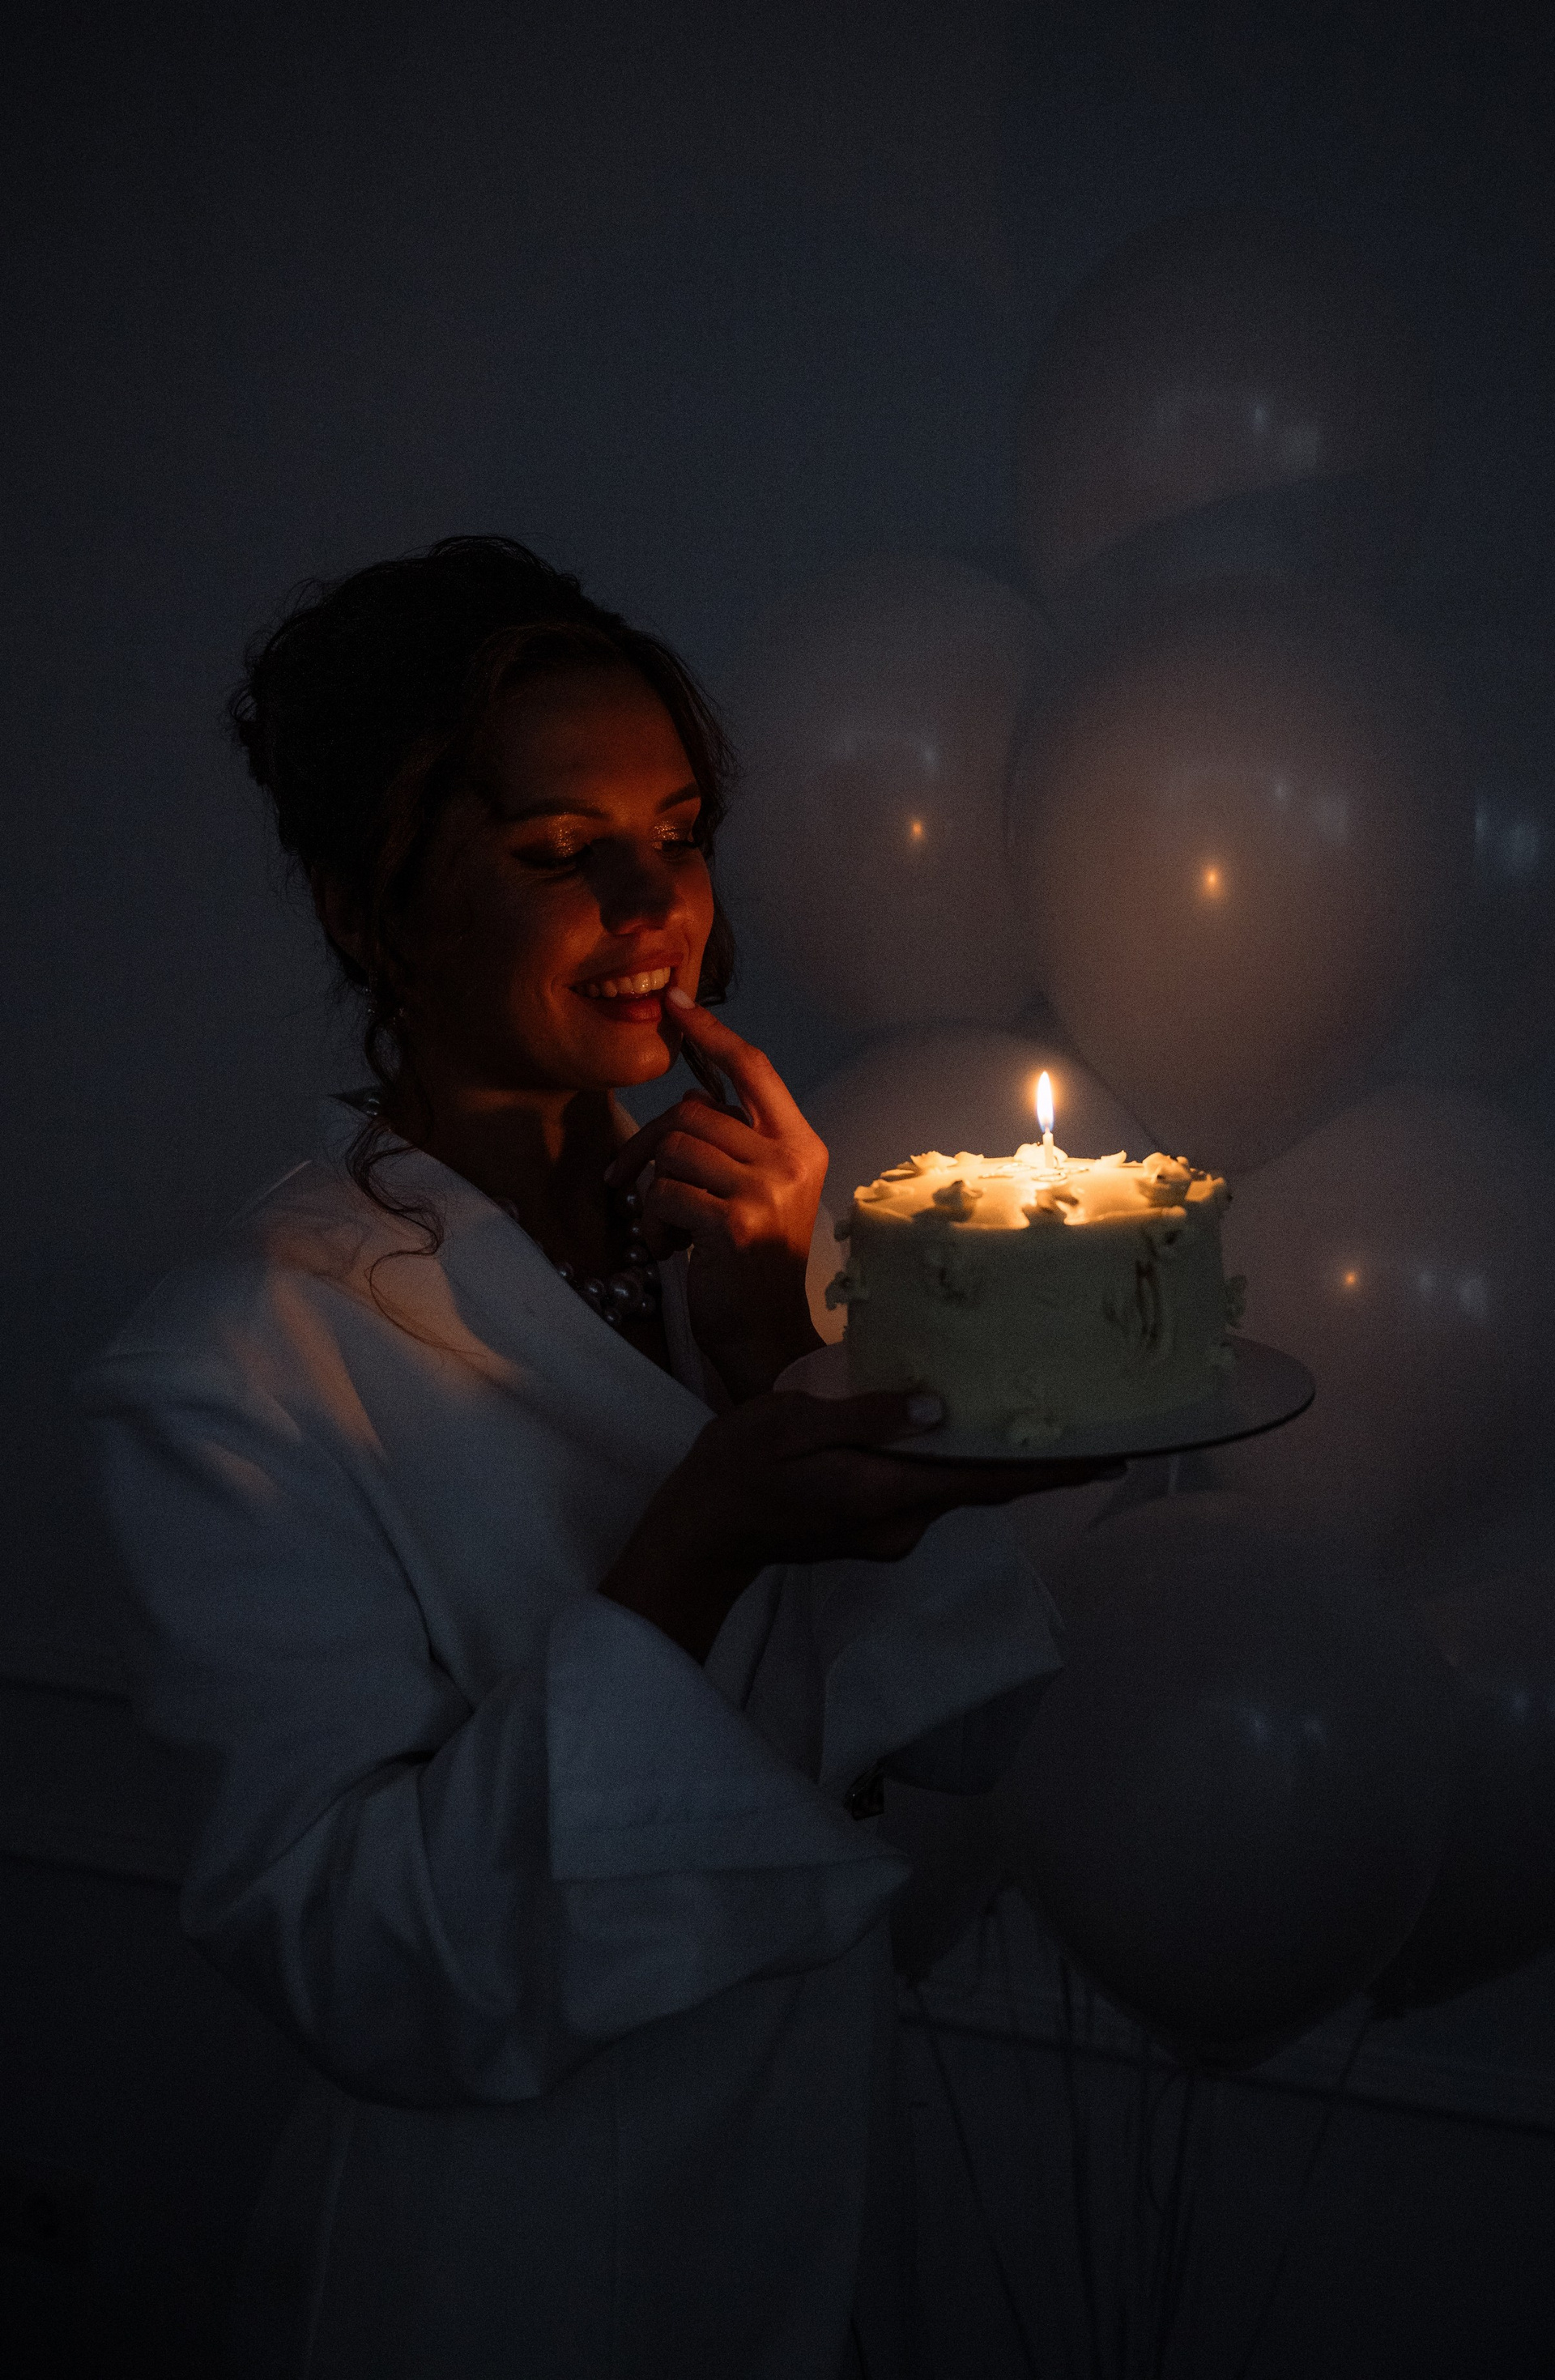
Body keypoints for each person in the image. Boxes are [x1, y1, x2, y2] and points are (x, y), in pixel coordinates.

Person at [79, 536, 1110, 2380]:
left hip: (807, 2200)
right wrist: (694, 1541)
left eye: (680, 834)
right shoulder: (238, 1365)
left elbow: (967, 1733)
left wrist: (793, 1349)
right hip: (503, 2262)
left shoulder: (741, 1257)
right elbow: (368, 1970)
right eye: (560, 851)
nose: (654, 905)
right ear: (369, 909)